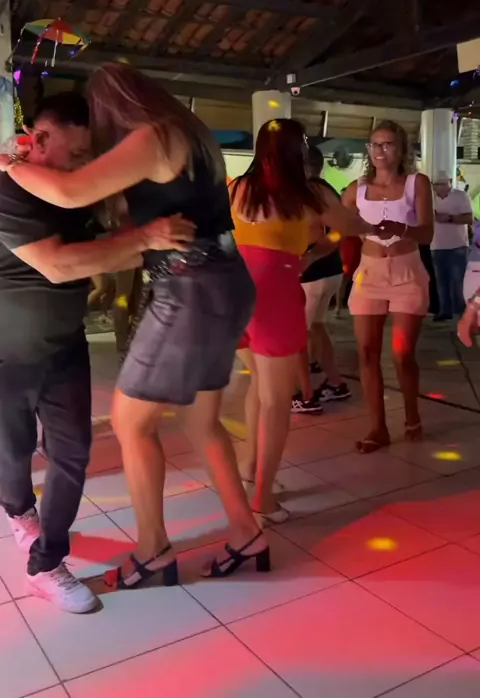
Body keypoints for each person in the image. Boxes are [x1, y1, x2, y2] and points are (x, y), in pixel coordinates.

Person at [1, 65, 266, 588]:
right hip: (225, 281)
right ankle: (246, 533)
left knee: (130, 423)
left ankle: (153, 552)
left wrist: (10, 162)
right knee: (201, 422)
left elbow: (73, 193)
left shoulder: (154, 137)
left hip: (189, 288)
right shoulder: (192, 136)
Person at [0, 92, 193, 613]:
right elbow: (58, 264)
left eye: (92, 157)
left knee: (72, 452)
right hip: (8, 352)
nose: (85, 169)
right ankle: (18, 510)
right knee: (13, 453)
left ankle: (46, 563)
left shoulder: (80, 195)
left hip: (66, 344)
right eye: (78, 155)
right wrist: (146, 239)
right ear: (40, 139)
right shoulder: (9, 188)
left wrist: (152, 239)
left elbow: (104, 256)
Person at [230, 119, 375, 522]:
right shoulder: (308, 193)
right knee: (277, 401)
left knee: (259, 386)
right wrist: (368, 224)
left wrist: (314, 250)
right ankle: (262, 499)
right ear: (299, 150)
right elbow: (349, 228)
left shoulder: (237, 188)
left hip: (236, 295)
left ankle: (249, 467)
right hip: (275, 294)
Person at [343, 120, 434, 454]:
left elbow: (427, 234)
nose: (380, 151)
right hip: (370, 274)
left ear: (401, 149)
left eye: (388, 144)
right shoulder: (357, 189)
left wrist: (402, 228)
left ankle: (412, 413)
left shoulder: (416, 183)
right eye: (375, 144)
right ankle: (378, 428)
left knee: (402, 353)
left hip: (406, 273)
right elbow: (340, 223)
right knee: (367, 353)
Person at [295, 146, 350, 413]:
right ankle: (337, 383)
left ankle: (306, 395)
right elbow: (339, 231)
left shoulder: (305, 193)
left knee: (297, 335)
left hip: (311, 272)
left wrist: (311, 255)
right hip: (332, 270)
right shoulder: (328, 190)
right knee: (317, 326)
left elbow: (314, 232)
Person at [431, 172, 473, 321]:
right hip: (436, 245)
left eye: (442, 184)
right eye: (436, 184)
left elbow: (469, 218)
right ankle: (445, 311)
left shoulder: (461, 196)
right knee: (441, 281)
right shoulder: (430, 199)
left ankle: (461, 312)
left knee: (458, 281)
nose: (439, 188)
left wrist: (449, 218)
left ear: (450, 182)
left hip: (458, 245)